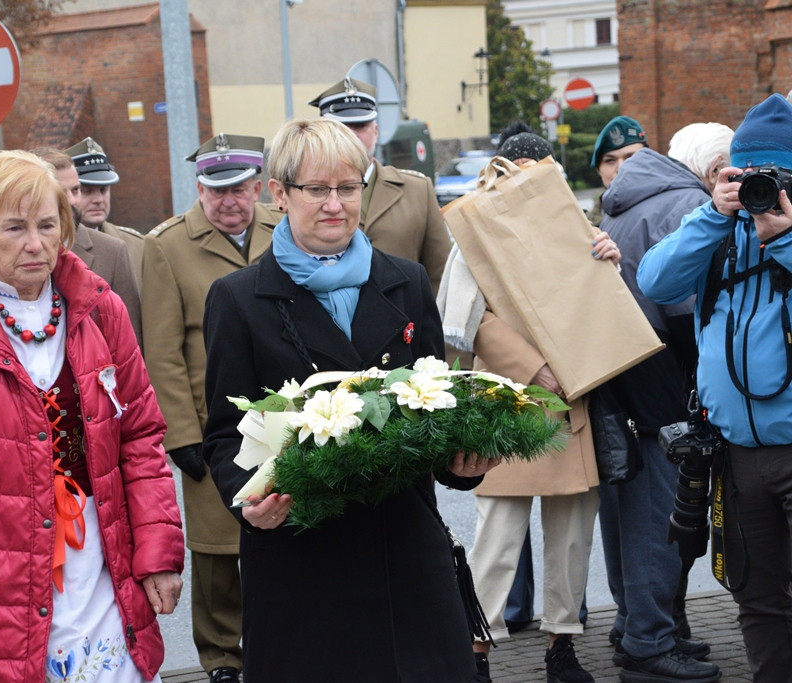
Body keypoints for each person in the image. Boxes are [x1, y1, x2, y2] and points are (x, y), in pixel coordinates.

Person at [202, 118, 497, 683]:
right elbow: (223, 434)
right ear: (280, 193)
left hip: (403, 553)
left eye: (348, 188)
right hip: (301, 558)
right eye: (317, 190)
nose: (335, 205)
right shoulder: (239, 300)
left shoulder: (406, 282)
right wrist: (248, 503)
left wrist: (465, 468)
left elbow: (437, 408)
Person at [0, 150, 184, 682]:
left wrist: (159, 550)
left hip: (100, 570)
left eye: (47, 225)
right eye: (15, 227)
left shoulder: (100, 311)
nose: (34, 243)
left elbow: (140, 438)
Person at [451, 129, 622, 683]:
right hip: (503, 403)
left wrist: (609, 258)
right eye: (515, 165)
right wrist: (533, 368)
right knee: (496, 538)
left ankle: (561, 645)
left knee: (572, 537)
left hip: (570, 400)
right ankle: (474, 650)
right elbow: (467, 320)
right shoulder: (474, 226)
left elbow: (599, 301)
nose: (523, 176)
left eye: (535, 166)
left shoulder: (574, 226)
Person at [639, 93, 792, 683]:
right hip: (736, 455)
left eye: (773, 177)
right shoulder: (715, 229)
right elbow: (655, 279)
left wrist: (782, 237)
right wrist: (713, 213)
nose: (760, 188)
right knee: (757, 600)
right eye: (748, 175)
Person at [141, 133, 283, 683]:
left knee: (285, 537)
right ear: (199, 189)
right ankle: (223, 659)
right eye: (216, 191)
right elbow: (163, 347)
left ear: (257, 187)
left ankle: (282, 646)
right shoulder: (167, 246)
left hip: (281, 416)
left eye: (240, 190)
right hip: (211, 426)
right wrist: (180, 433)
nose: (229, 202)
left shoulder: (284, 226)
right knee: (218, 552)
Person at [597, 123, 732, 683]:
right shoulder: (687, 204)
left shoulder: (628, 200)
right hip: (660, 382)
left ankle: (635, 626)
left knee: (626, 515)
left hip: (615, 375)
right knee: (658, 519)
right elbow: (686, 315)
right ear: (710, 170)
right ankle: (649, 643)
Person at [308, 77, 451, 294]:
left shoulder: (417, 191)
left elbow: (441, 276)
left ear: (375, 131)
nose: (353, 135)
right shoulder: (304, 193)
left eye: (361, 126)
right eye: (343, 126)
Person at [32, 146, 142, 344]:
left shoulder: (112, 252)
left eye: (76, 190)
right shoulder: (10, 254)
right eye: (60, 191)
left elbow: (129, 343)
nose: (72, 201)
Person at [67, 137, 145, 278]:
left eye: (103, 190)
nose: (98, 200)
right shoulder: (54, 246)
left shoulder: (136, 245)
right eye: (86, 191)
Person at [587, 116, 648, 227]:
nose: (621, 167)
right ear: (598, 169)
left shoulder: (670, 209)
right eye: (610, 160)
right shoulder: (586, 227)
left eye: (630, 157)